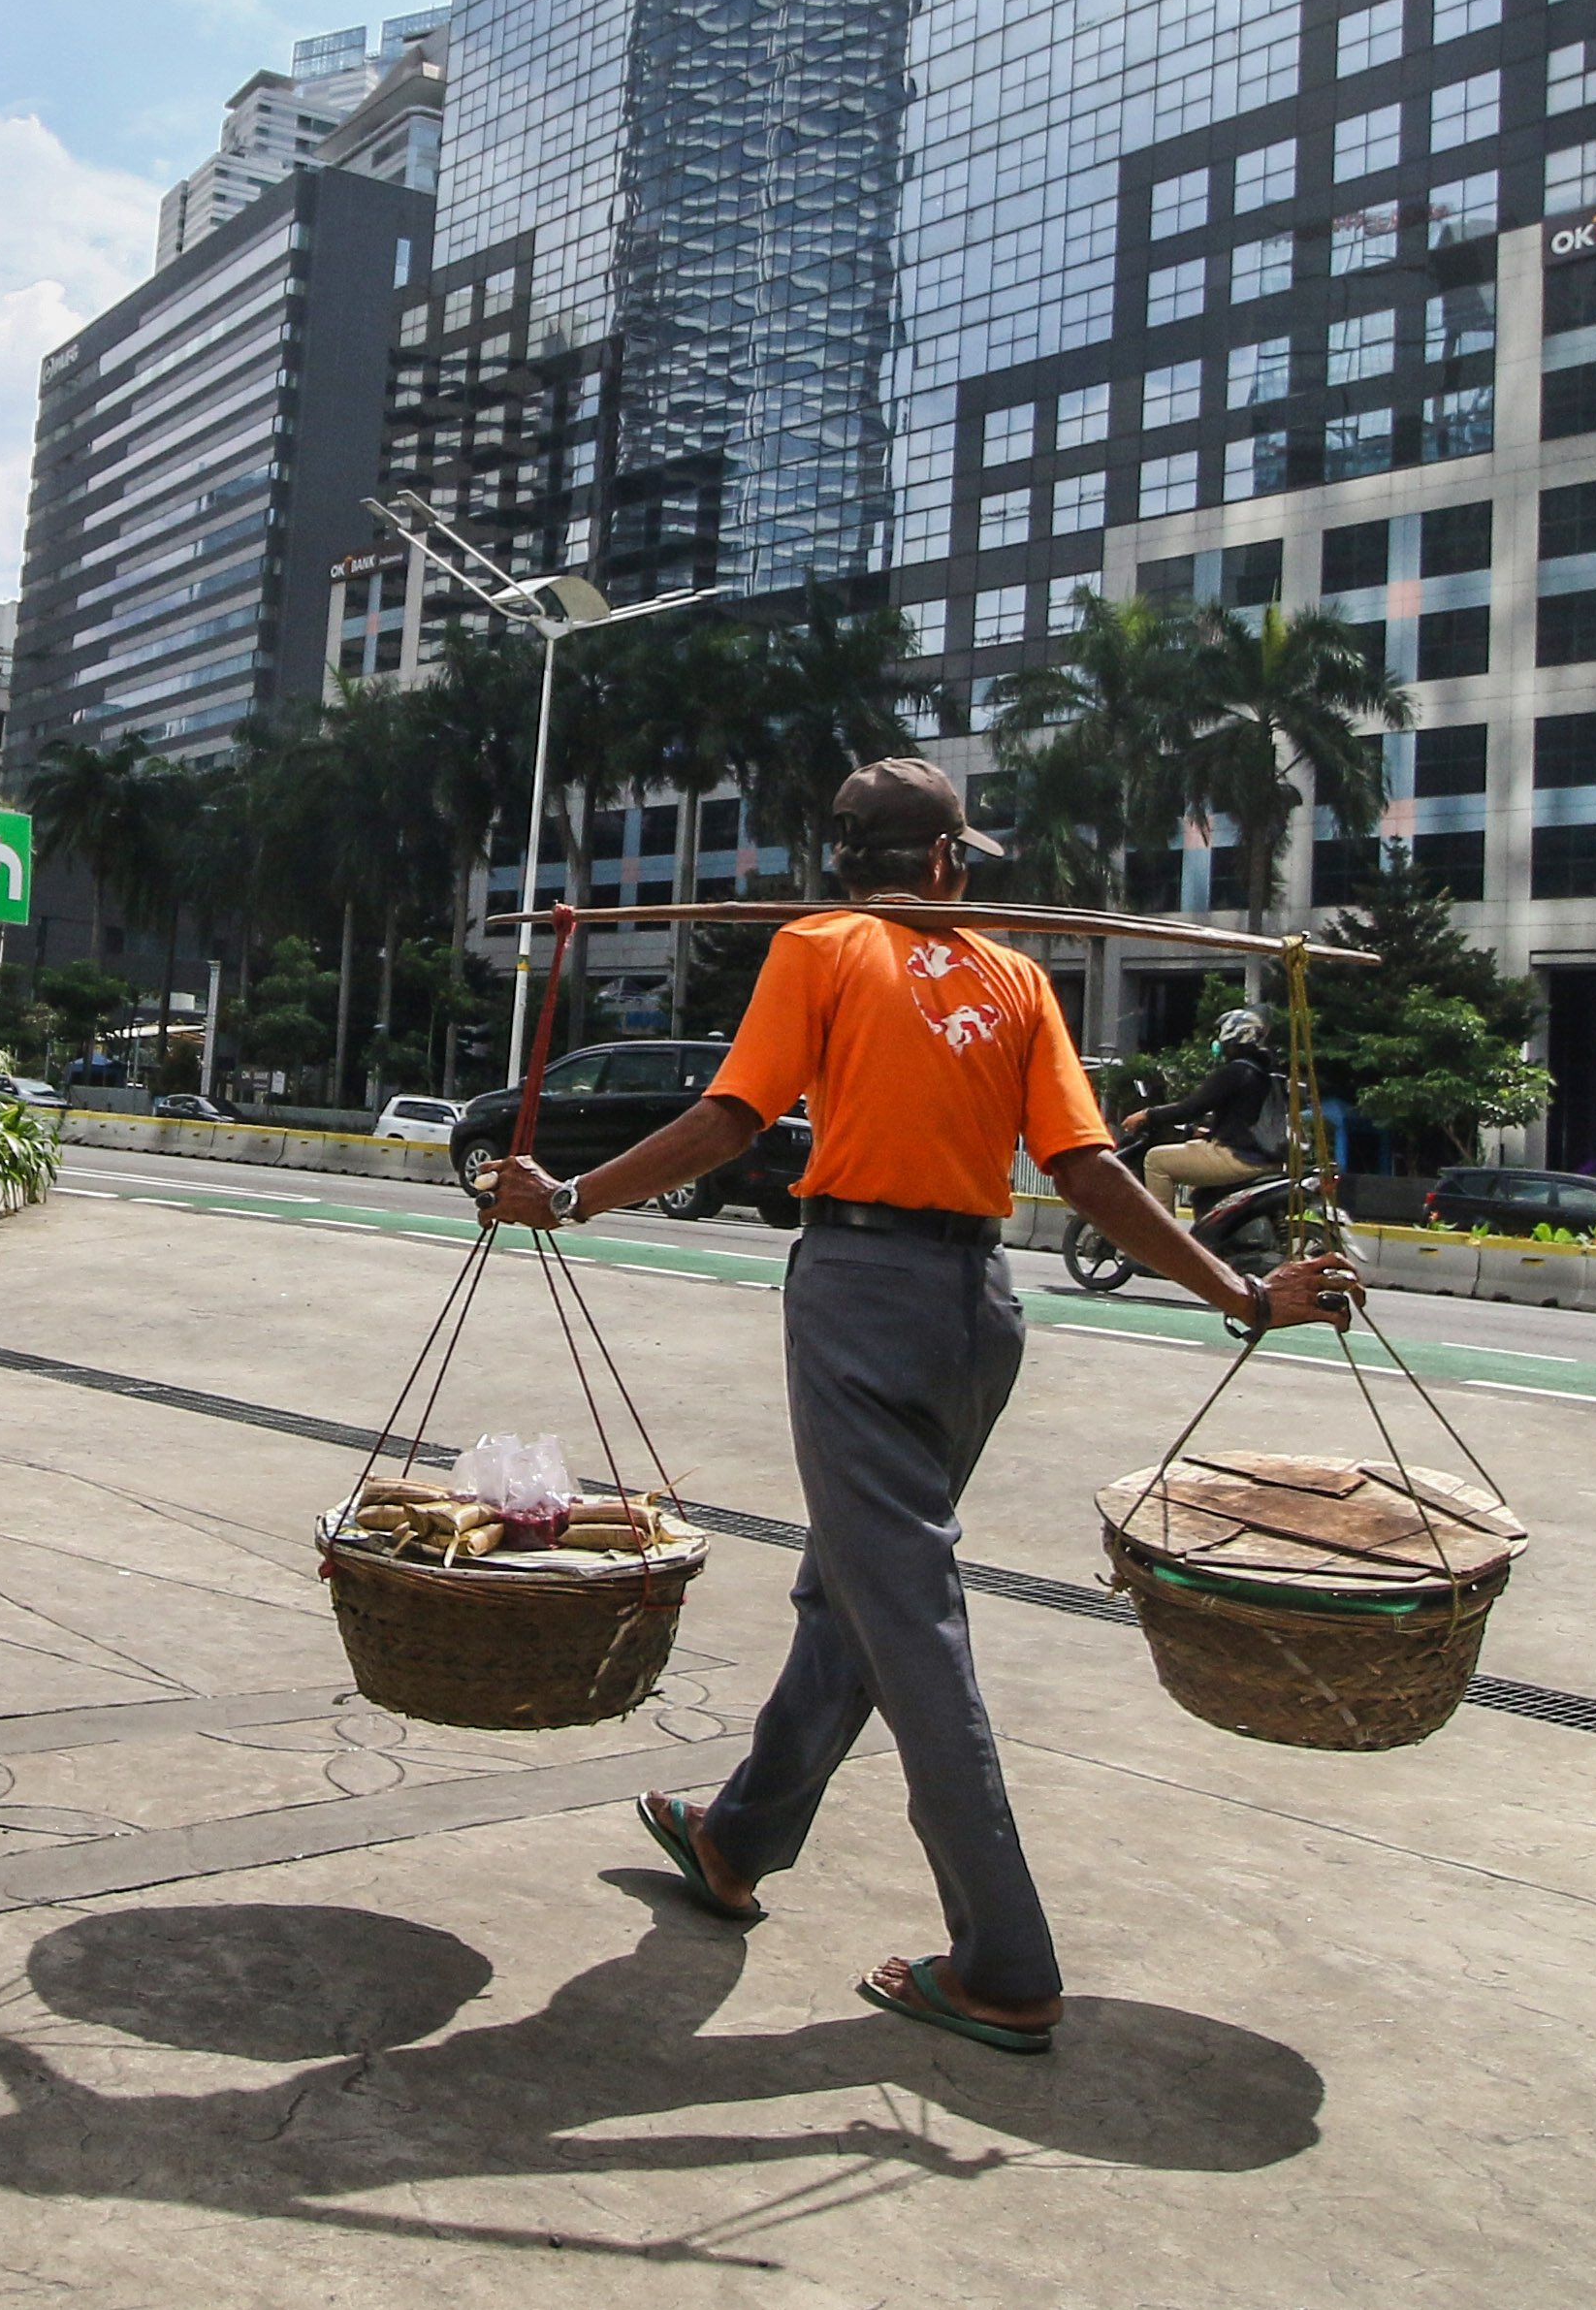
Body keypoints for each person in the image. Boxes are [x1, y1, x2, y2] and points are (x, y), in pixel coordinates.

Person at [481, 755, 1359, 2057]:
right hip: (974, 1312)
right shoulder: (1013, 976)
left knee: (906, 1615)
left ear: (850, 862)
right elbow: (1089, 1170)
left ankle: (1004, 1957)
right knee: (857, 1589)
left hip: (858, 1293)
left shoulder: (819, 947)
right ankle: (736, 1841)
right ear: (946, 861)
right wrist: (1234, 1291)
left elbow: (732, 1122)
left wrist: (562, 1198)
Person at [1129, 1005, 1286, 1208]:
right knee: (1202, 1194)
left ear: (1232, 1037)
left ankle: (1162, 1236)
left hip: (1240, 1157)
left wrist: (1147, 1115)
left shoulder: (1234, 1072)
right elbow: (1245, 1118)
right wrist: (1210, 1132)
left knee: (1155, 1161)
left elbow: (1189, 1109)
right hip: (1264, 1157)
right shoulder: (1265, 1074)